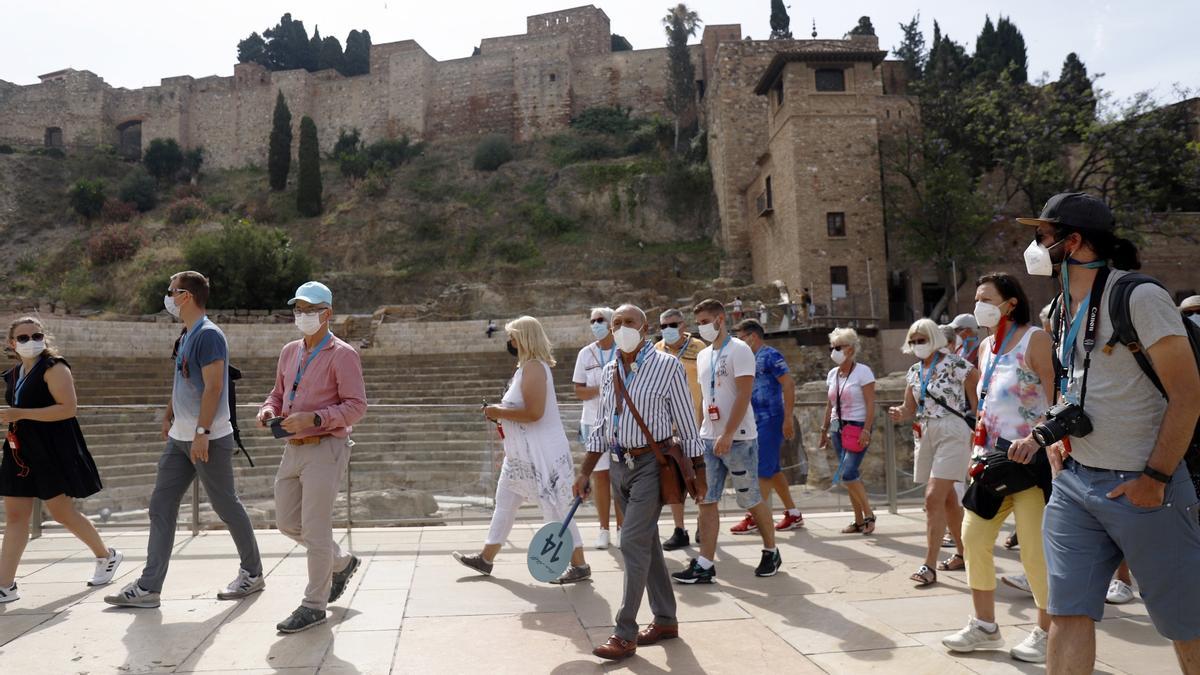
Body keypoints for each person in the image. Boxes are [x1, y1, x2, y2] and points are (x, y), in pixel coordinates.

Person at [1017, 193, 1200, 673]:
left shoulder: (1139, 297)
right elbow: (1075, 387)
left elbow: (1187, 395)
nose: (1034, 246)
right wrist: (1052, 436)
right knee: (1066, 612)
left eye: (1042, 236)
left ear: (1073, 242)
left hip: (1144, 486)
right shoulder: (1058, 310)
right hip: (1076, 483)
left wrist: (1155, 478)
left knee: (1186, 623)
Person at [106, 271, 263, 609]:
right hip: (180, 439)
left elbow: (215, 387)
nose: (168, 297)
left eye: (171, 291)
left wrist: (202, 434)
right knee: (161, 506)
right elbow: (184, 380)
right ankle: (149, 588)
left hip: (208, 438)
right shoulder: (187, 333)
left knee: (225, 505)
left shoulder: (208, 335)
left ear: (185, 296)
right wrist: (169, 414)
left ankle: (252, 573)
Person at [573, 304, 702, 660]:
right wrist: (585, 470)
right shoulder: (611, 368)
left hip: (652, 462)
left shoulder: (667, 366)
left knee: (630, 541)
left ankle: (624, 631)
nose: (621, 328)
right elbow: (601, 426)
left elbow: (686, 421)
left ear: (644, 328)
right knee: (647, 543)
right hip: (618, 463)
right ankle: (665, 619)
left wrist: (697, 471)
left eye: (629, 322)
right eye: (617, 323)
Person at [941, 273, 1056, 663]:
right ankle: (985, 625)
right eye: (976, 299)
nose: (978, 306)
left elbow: (1056, 398)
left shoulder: (1034, 339)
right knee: (973, 537)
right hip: (992, 463)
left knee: (1035, 553)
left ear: (1010, 303)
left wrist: (1044, 441)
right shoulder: (988, 346)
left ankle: (1046, 631)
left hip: (1031, 462)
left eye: (985, 298)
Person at [254, 281, 367, 633]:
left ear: (327, 313)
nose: (302, 315)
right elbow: (277, 393)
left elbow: (356, 406)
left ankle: (313, 605)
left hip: (326, 447)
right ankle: (342, 562)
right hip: (293, 446)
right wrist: (267, 410)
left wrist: (315, 418)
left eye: (309, 309)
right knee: (288, 523)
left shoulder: (343, 354)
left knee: (316, 531)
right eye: (298, 309)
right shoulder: (290, 351)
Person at [455, 316, 591, 585]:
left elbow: (534, 413)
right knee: (505, 502)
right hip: (521, 454)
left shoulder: (534, 369)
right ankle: (486, 557)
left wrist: (498, 411)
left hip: (543, 453)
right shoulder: (524, 369)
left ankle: (580, 565)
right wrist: (500, 415)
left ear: (525, 339)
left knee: (557, 507)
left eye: (513, 337)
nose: (510, 342)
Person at [0, 318, 122, 604]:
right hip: (19, 450)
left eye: (36, 334)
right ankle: (5, 585)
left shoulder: (54, 367)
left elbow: (68, 409)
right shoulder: (15, 373)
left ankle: (106, 556)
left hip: (50, 450)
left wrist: (21, 414)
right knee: (16, 516)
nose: (31, 340)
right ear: (11, 343)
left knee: (61, 512)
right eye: (23, 337)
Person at [672, 299, 781, 585]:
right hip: (708, 438)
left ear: (721, 319)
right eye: (699, 322)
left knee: (750, 498)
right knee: (706, 499)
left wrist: (729, 433)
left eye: (706, 321)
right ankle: (705, 563)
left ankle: (771, 549)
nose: (702, 327)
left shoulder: (740, 350)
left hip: (739, 439)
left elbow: (744, 395)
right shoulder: (704, 355)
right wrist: (696, 434)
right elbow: (705, 398)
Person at [889, 319, 978, 586]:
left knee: (932, 497)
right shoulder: (914, 371)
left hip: (952, 431)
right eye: (913, 340)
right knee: (948, 499)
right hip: (926, 433)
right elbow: (909, 407)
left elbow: (976, 388)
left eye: (922, 339)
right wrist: (899, 413)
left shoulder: (954, 363)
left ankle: (929, 564)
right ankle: (963, 554)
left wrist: (978, 419)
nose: (917, 344)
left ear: (934, 338)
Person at [731, 319, 804, 534]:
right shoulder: (747, 359)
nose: (738, 341)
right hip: (755, 420)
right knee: (772, 470)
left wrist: (788, 418)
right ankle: (793, 513)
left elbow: (788, 384)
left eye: (741, 337)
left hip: (771, 418)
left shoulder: (770, 355)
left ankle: (754, 517)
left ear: (752, 336)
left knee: (761, 469)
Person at [654, 309, 706, 551]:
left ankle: (702, 524)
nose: (668, 329)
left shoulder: (699, 348)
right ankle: (679, 529)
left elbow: (708, 382)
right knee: (674, 479)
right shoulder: (657, 349)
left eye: (673, 324)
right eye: (664, 325)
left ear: (683, 324)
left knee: (700, 476)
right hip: (669, 427)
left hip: (697, 423)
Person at [572, 307, 622, 549]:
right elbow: (578, 390)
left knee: (620, 476)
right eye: (593, 321)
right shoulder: (586, 353)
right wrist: (600, 389)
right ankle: (604, 529)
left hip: (621, 421)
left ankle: (623, 528)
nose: (596, 324)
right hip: (593, 422)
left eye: (600, 320)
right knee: (600, 476)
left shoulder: (623, 350)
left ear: (612, 323)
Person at [821, 328, 878, 534]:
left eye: (838, 347)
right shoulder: (833, 374)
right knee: (850, 475)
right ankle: (858, 520)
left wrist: (867, 429)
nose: (833, 351)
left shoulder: (863, 372)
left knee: (848, 473)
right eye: (832, 347)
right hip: (838, 427)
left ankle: (869, 514)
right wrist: (824, 429)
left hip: (856, 426)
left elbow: (871, 403)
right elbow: (830, 404)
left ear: (850, 349)